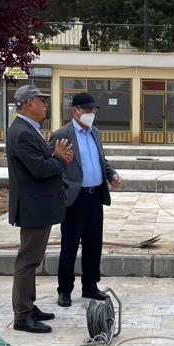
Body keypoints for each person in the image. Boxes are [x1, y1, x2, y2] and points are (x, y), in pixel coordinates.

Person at [6, 84, 72, 333]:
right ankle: (22, 314)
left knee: (32, 259)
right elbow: (40, 169)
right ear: (29, 103)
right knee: (27, 260)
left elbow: (43, 162)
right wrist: (60, 158)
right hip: (33, 205)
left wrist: (57, 157)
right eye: (41, 100)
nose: (45, 104)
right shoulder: (22, 132)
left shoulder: (28, 129)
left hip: (38, 204)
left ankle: (28, 305)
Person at [52, 92, 122, 307]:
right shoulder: (62, 134)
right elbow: (54, 166)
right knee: (70, 245)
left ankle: (90, 286)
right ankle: (65, 290)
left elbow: (101, 161)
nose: (91, 113)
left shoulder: (95, 133)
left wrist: (111, 174)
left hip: (95, 196)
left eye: (94, 110)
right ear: (75, 110)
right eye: (87, 109)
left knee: (93, 244)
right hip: (75, 198)